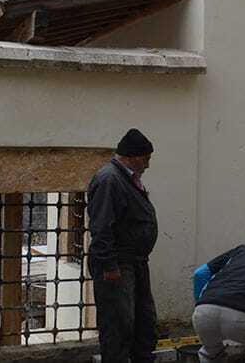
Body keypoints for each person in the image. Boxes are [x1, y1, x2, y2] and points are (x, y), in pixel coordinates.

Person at [87, 128, 160, 363]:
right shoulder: (110, 179)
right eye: (146, 159)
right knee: (118, 324)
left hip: (133, 261)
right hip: (118, 264)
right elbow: (101, 227)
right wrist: (109, 266)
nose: (148, 165)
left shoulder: (125, 178)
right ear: (133, 156)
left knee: (142, 321)